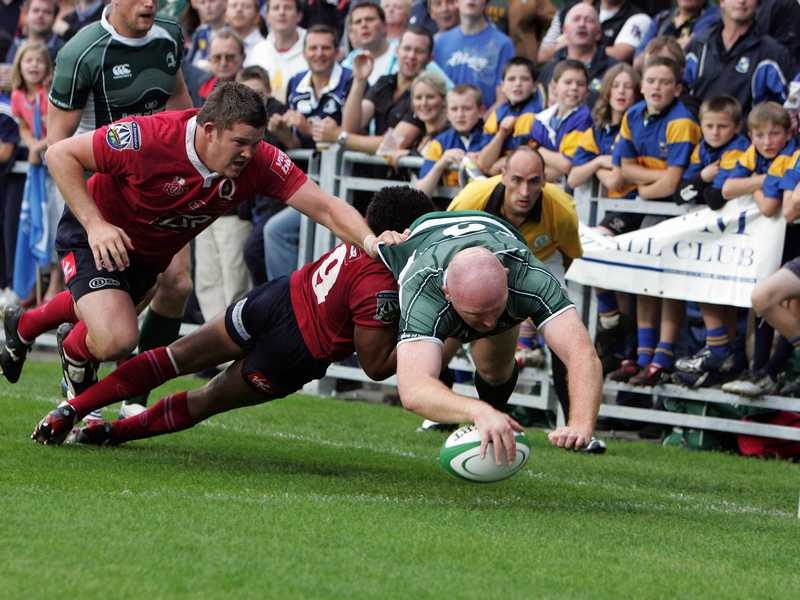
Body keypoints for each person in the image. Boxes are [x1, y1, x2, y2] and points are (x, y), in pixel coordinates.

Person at [0, 83, 394, 408]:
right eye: (239, 142)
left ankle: (29, 328)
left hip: (147, 254)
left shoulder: (259, 160)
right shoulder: (148, 138)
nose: (249, 153)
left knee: (112, 314)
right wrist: (96, 224)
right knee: (117, 337)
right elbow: (60, 154)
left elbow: (325, 205)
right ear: (208, 130)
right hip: (97, 237)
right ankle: (77, 355)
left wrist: (369, 240)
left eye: (255, 143)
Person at [31, 186, 436, 446]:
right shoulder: (383, 282)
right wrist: (436, 332)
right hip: (294, 349)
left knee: (175, 357)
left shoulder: (361, 237)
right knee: (206, 399)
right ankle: (111, 433)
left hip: (274, 298)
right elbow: (375, 366)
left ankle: (72, 408)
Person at [35, 0, 194, 419]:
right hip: (104, 191)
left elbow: (180, 105)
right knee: (115, 317)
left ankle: (135, 395)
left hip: (158, 184)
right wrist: (92, 220)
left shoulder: (169, 33)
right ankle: (79, 363)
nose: (150, 4)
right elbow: (56, 146)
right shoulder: (81, 52)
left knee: (177, 283)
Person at [376, 208, 603, 460]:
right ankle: (466, 414)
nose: (489, 322)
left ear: (505, 276)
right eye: (478, 314)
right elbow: (413, 390)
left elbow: (582, 353)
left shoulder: (529, 275)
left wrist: (581, 424)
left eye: (495, 309)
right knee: (377, 366)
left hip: (496, 239)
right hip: (418, 247)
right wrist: (477, 411)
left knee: (495, 371)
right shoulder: (422, 290)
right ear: (447, 292)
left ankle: (493, 420)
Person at [609, 56, 700, 386]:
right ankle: (641, 354)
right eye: (650, 81)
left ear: (677, 88)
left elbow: (674, 183)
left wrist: (645, 186)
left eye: (664, 82)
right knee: (638, 277)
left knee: (667, 281)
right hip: (644, 204)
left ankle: (662, 356)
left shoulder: (681, 122)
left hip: (677, 209)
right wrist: (656, 179)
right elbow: (623, 170)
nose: (656, 88)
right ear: (642, 85)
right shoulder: (633, 114)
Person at [717, 102, 799, 396]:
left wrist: (752, 184)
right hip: (772, 242)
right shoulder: (754, 155)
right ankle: (762, 371)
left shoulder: (789, 157)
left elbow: (769, 206)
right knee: (764, 302)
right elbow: (726, 188)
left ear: (788, 134)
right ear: (751, 136)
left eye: (774, 134)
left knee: (786, 306)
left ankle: (772, 370)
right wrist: (760, 182)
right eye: (760, 135)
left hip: (792, 241)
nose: (767, 142)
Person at [670, 96, 751, 389]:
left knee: (717, 289)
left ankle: (721, 351)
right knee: (708, 287)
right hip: (714, 232)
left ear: (736, 126)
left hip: (739, 233)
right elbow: (680, 193)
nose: (715, 132)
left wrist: (698, 184)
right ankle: (720, 353)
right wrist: (703, 177)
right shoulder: (701, 149)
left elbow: (716, 198)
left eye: (722, 126)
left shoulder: (739, 149)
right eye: (709, 126)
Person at [9, 41, 64, 304]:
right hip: (39, 169)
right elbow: (23, 126)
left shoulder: (50, 94)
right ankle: (37, 284)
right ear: (19, 66)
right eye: (28, 60)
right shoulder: (18, 96)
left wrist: (39, 147)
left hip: (57, 166)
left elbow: (58, 130)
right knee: (40, 222)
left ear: (47, 68)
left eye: (39, 61)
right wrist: (32, 144)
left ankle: (57, 283)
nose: (34, 65)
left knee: (58, 221)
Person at [684, 0, 794, 117]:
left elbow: (792, 100)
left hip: (748, 128)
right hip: (698, 127)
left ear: (757, 3)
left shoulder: (772, 53)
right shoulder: (699, 44)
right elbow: (680, 90)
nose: (741, 1)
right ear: (722, 2)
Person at [269, 24, 352, 150]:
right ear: (304, 53)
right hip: (303, 161)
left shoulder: (351, 79)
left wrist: (309, 129)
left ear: (337, 52)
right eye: (313, 48)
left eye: (326, 48)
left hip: (341, 160)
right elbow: (296, 144)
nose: (319, 53)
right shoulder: (295, 82)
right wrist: (283, 133)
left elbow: (353, 134)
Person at [516, 59, 593, 183]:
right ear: (554, 86)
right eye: (568, 82)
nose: (574, 87)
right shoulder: (541, 118)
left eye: (580, 84)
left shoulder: (584, 118)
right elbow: (525, 157)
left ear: (587, 91)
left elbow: (566, 164)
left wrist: (536, 148)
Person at [432, 0, 514, 110]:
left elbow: (503, 99)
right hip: (447, 118)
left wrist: (482, 119)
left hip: (487, 118)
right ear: (456, 2)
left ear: (486, 2)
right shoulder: (440, 43)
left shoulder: (503, 44)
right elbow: (435, 91)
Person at [536, 2, 616, 107]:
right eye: (576, 19)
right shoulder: (550, 69)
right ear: (564, 31)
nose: (582, 24)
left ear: (598, 33)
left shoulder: (613, 70)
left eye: (589, 20)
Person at [476, 56, 546, 176]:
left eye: (524, 79)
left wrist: (504, 162)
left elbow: (528, 158)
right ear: (503, 86)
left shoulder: (536, 115)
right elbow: (484, 163)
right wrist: (502, 133)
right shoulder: (497, 114)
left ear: (534, 86)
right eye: (511, 79)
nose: (518, 84)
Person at [415, 84, 488, 197]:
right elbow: (421, 193)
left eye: (466, 108)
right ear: (447, 113)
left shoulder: (492, 138)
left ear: (481, 111)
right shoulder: (439, 143)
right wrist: (441, 163)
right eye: (454, 109)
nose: (460, 115)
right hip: (448, 206)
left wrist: (484, 160)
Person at [244, 0, 307, 104]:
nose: (281, 12)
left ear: (299, 15)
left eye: (288, 8)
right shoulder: (258, 51)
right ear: (267, 16)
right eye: (276, 8)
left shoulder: (313, 48)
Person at [633, 0, 719, 70]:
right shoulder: (661, 18)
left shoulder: (714, 17)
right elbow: (637, 63)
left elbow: (695, 46)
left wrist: (653, 51)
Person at [341, 0, 397, 86]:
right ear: (352, 31)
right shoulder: (347, 64)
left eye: (370, 19)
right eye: (358, 22)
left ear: (384, 26)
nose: (364, 25)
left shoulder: (404, 54)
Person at [187, 0, 228, 71]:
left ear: (225, 2)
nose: (207, 6)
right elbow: (188, 62)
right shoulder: (201, 32)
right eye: (202, 2)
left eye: (212, 1)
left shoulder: (234, 32)